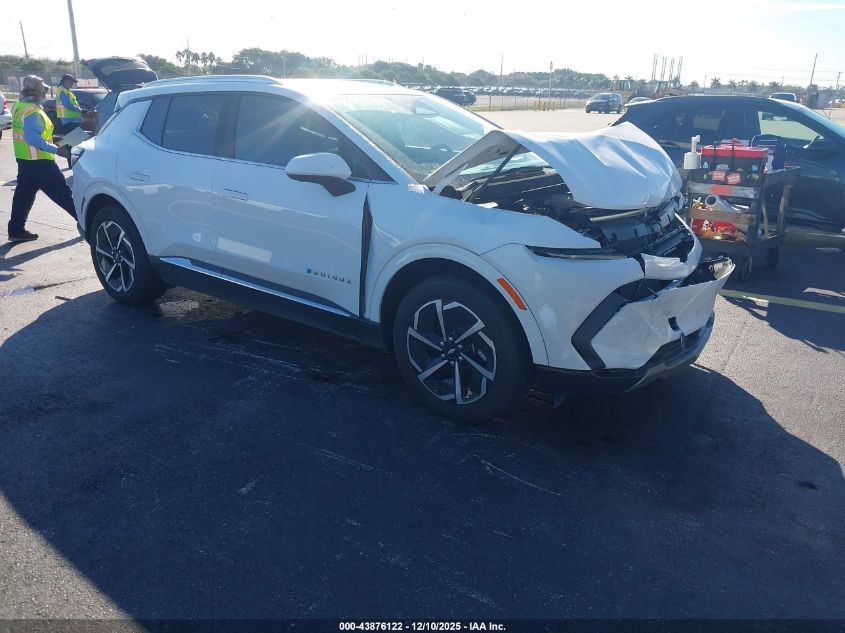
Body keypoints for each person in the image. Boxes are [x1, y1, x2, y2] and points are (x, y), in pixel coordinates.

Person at [8, 75, 76, 242]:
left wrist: (55, 141)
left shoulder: (19, 106)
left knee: (23, 196)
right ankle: (87, 223)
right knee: (64, 194)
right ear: (36, 91)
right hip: (40, 161)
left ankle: (16, 229)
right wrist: (57, 150)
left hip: (25, 160)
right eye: (43, 89)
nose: (45, 92)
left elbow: (31, 135)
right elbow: (33, 139)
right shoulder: (32, 111)